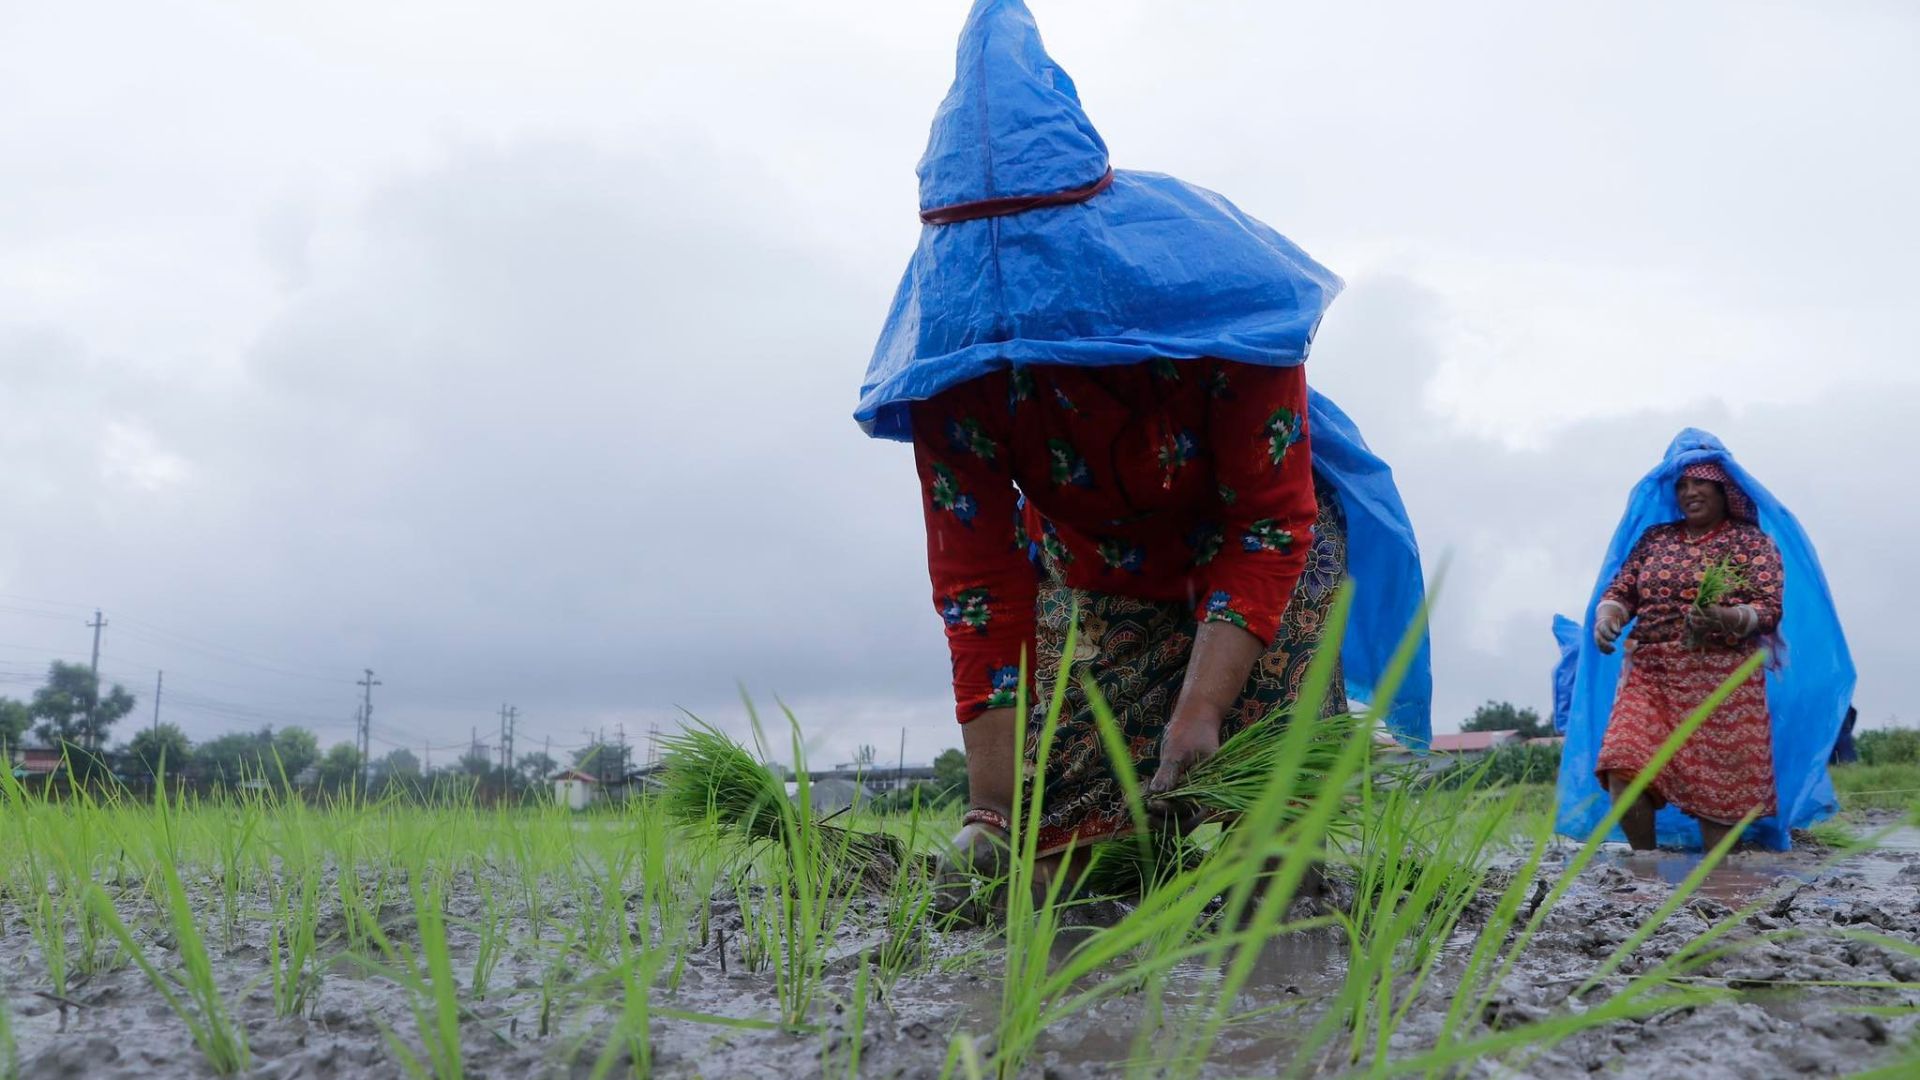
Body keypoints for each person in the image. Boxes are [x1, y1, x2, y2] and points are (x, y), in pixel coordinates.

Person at [854, 0, 1429, 884]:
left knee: (1271, 862)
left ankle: (1273, 835)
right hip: (1094, 572)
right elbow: (980, 589)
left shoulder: (1220, 315)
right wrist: (992, 811)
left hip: (1259, 553)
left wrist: (1202, 710)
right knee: (1069, 863)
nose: (1016, 306)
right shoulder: (961, 377)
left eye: (1035, 263)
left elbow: (1270, 521)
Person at [1556, 430, 1855, 851]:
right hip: (1653, 676)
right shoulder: (1656, 540)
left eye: (1700, 482)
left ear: (1723, 489)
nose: (1689, 492)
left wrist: (1723, 617)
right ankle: (1644, 867)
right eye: (1682, 485)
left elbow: (1767, 609)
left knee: (1719, 807)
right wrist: (1609, 616)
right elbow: (1621, 589)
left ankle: (1721, 878)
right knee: (1623, 761)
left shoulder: (1750, 542)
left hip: (1723, 684)